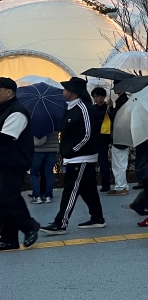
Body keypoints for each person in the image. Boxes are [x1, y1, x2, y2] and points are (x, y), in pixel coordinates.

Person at [41, 77, 106, 235]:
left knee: (70, 189)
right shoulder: (69, 108)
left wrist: (72, 150)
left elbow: (87, 134)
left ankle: (60, 223)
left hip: (81, 157)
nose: (63, 91)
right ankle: (97, 218)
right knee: (87, 189)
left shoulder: (84, 108)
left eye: (66, 88)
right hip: (74, 157)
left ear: (73, 92)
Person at [0, 77, 40, 251]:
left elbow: (6, 137)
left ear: (10, 92)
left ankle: (29, 225)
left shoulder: (17, 112)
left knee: (8, 198)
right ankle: (9, 239)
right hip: (3, 162)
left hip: (13, 162)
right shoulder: (4, 110)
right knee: (3, 201)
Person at [107, 91, 131, 196]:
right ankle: (123, 185)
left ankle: (120, 186)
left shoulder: (122, 101)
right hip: (124, 135)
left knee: (118, 163)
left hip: (119, 135)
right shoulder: (126, 100)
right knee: (121, 161)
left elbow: (114, 117)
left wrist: (111, 108)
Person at [90, 87, 112, 193]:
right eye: (94, 97)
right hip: (93, 139)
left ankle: (106, 184)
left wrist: (111, 108)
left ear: (103, 96)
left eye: (98, 96)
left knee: (103, 163)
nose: (96, 99)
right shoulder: (92, 108)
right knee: (92, 164)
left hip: (103, 139)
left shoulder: (107, 108)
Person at [30, 128, 59, 204]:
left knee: (34, 174)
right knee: (49, 173)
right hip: (52, 149)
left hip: (38, 150)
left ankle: (37, 196)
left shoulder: (37, 121)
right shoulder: (54, 120)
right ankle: (47, 196)